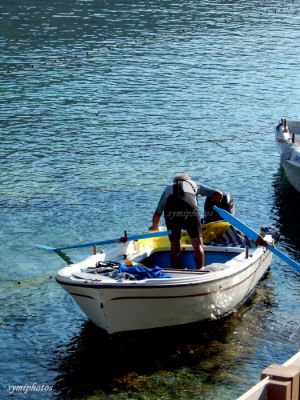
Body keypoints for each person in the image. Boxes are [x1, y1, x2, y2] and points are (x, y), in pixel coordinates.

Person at [149, 173, 223, 270]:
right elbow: (219, 194)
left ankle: (176, 271)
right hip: (191, 213)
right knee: (198, 246)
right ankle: (200, 270)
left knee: (175, 246)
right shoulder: (194, 184)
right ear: (188, 180)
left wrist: (155, 227)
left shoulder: (168, 188)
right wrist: (213, 201)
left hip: (172, 215)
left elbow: (158, 212)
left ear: (174, 182)